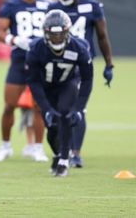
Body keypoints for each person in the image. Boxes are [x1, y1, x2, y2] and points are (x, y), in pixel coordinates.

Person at [48, 0, 114, 168]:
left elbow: (102, 37)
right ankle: (62, 151)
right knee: (56, 110)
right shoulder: (53, 9)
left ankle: (75, 153)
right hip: (58, 63)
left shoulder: (92, 6)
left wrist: (108, 63)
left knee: (78, 109)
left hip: (82, 63)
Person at [0, 0, 48, 163]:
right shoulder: (11, 5)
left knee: (39, 107)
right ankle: (5, 145)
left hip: (40, 62)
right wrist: (14, 40)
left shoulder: (47, 5)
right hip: (19, 60)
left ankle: (38, 148)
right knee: (9, 106)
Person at [26, 9, 93, 177]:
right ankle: (57, 155)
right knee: (52, 127)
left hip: (68, 83)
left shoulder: (79, 47)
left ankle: (64, 160)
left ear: (67, 32)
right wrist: (45, 107)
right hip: (46, 87)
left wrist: (79, 108)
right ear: (46, 33)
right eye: (53, 34)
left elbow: (87, 80)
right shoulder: (36, 49)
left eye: (60, 34)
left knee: (65, 114)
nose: (57, 38)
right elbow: (33, 81)